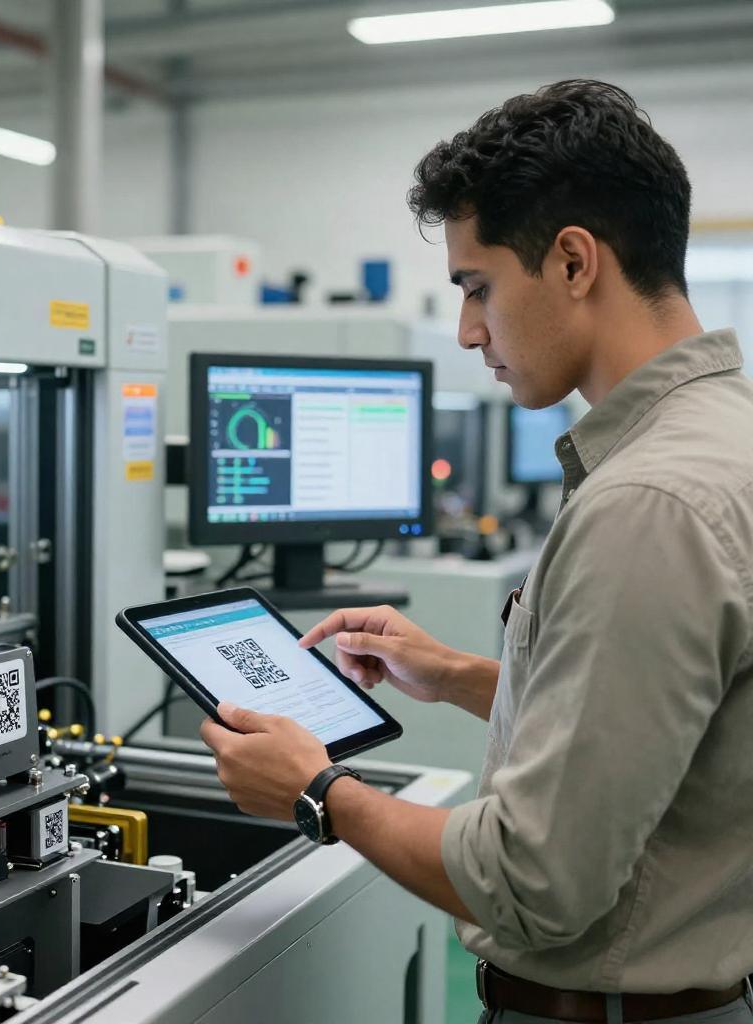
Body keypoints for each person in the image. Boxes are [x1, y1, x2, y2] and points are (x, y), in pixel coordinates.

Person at [200, 79, 753, 1023]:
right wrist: (455, 673)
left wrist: (319, 790)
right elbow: (653, 737)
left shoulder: (647, 503)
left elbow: (534, 881)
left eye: (477, 286)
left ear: (575, 261)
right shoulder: (720, 435)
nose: (467, 330)